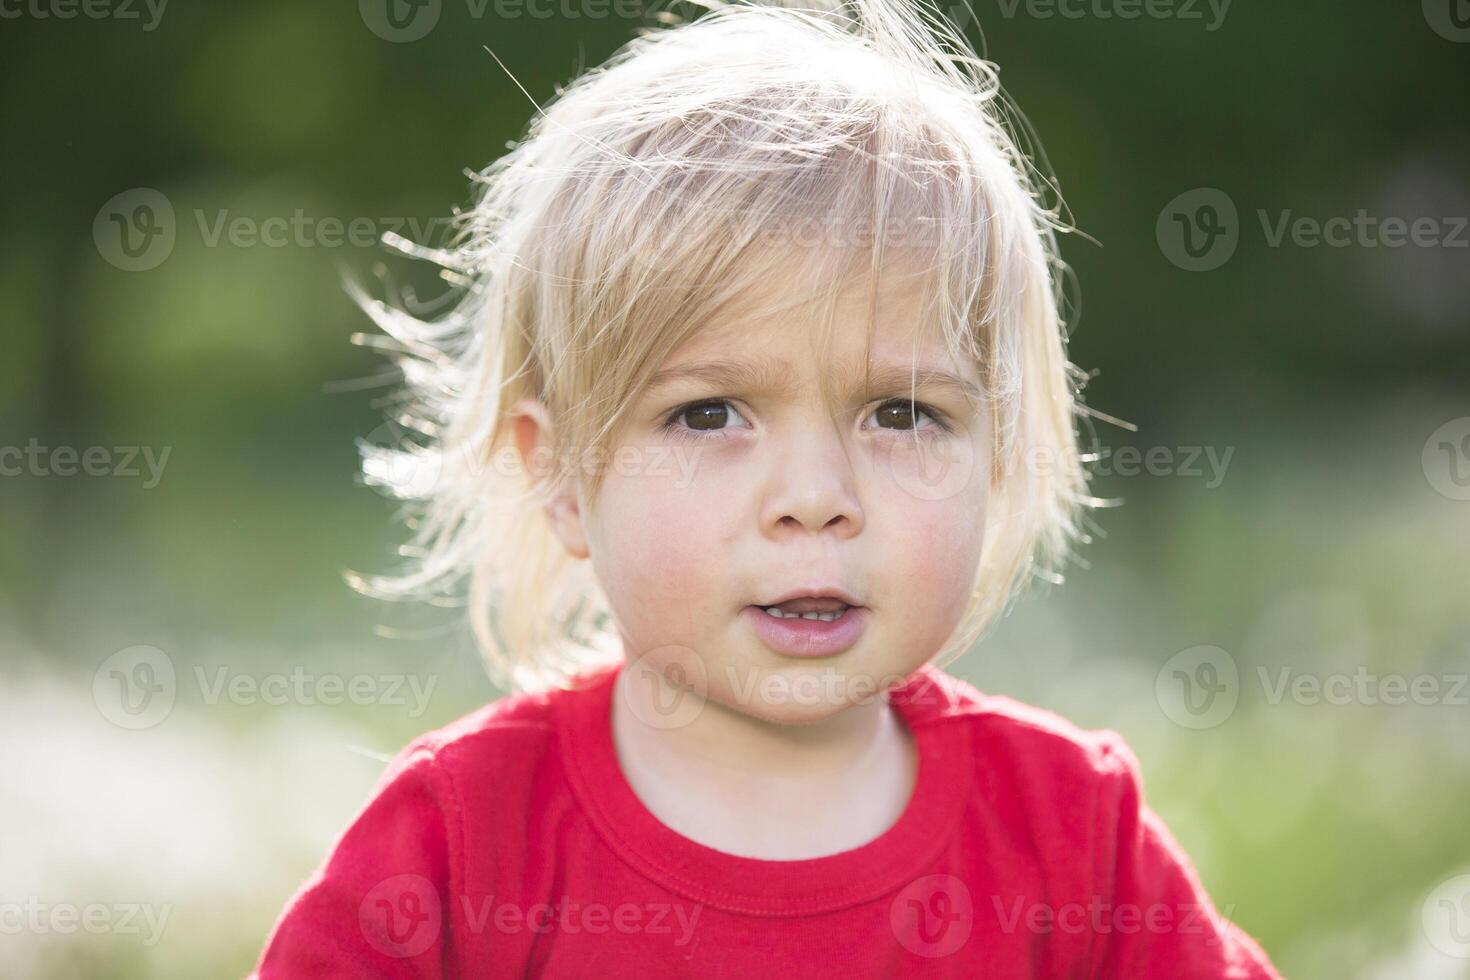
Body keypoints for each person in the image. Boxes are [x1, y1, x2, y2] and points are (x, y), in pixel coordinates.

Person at [252, 0, 1282, 973]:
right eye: (708, 413)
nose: (815, 496)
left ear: (999, 450)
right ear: (559, 475)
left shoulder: (1070, 838)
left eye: (902, 412)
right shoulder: (458, 844)